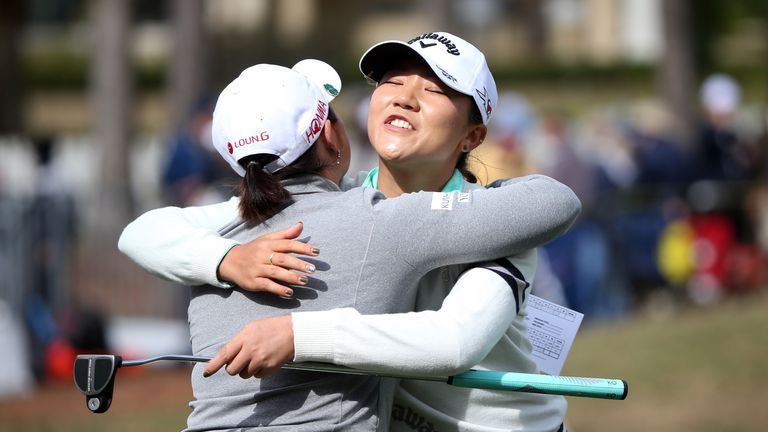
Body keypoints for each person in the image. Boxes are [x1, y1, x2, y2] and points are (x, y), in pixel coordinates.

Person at [120, 33, 579, 432]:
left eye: (434, 90)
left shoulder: (499, 223)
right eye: (392, 82)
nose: (404, 97)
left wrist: (300, 335)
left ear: (472, 137)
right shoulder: (343, 202)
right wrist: (226, 259)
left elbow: (455, 341)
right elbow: (146, 232)